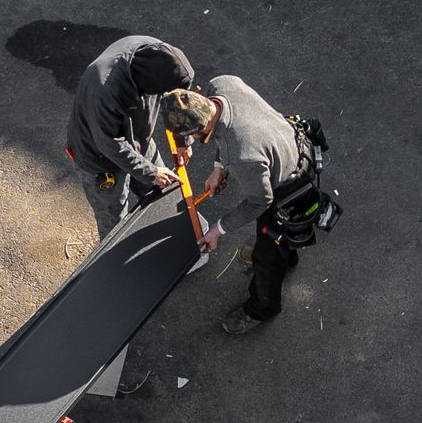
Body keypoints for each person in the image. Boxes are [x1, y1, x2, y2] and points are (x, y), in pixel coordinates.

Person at [162, 77, 310, 334]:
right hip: (292, 145)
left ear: (199, 131)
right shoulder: (222, 85)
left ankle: (262, 308)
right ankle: (288, 257)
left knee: (268, 252)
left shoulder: (241, 156)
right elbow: (228, 129)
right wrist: (220, 167)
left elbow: (261, 201)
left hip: (286, 188)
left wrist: (217, 230)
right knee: (282, 243)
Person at [66, 36, 194, 237]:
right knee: (114, 223)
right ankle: (115, 261)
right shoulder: (103, 89)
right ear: (149, 86)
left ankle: (165, 241)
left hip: (139, 140)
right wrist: (151, 172)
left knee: (164, 193)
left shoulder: (159, 57)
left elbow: (179, 101)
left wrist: (182, 139)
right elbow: (110, 144)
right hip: (100, 159)